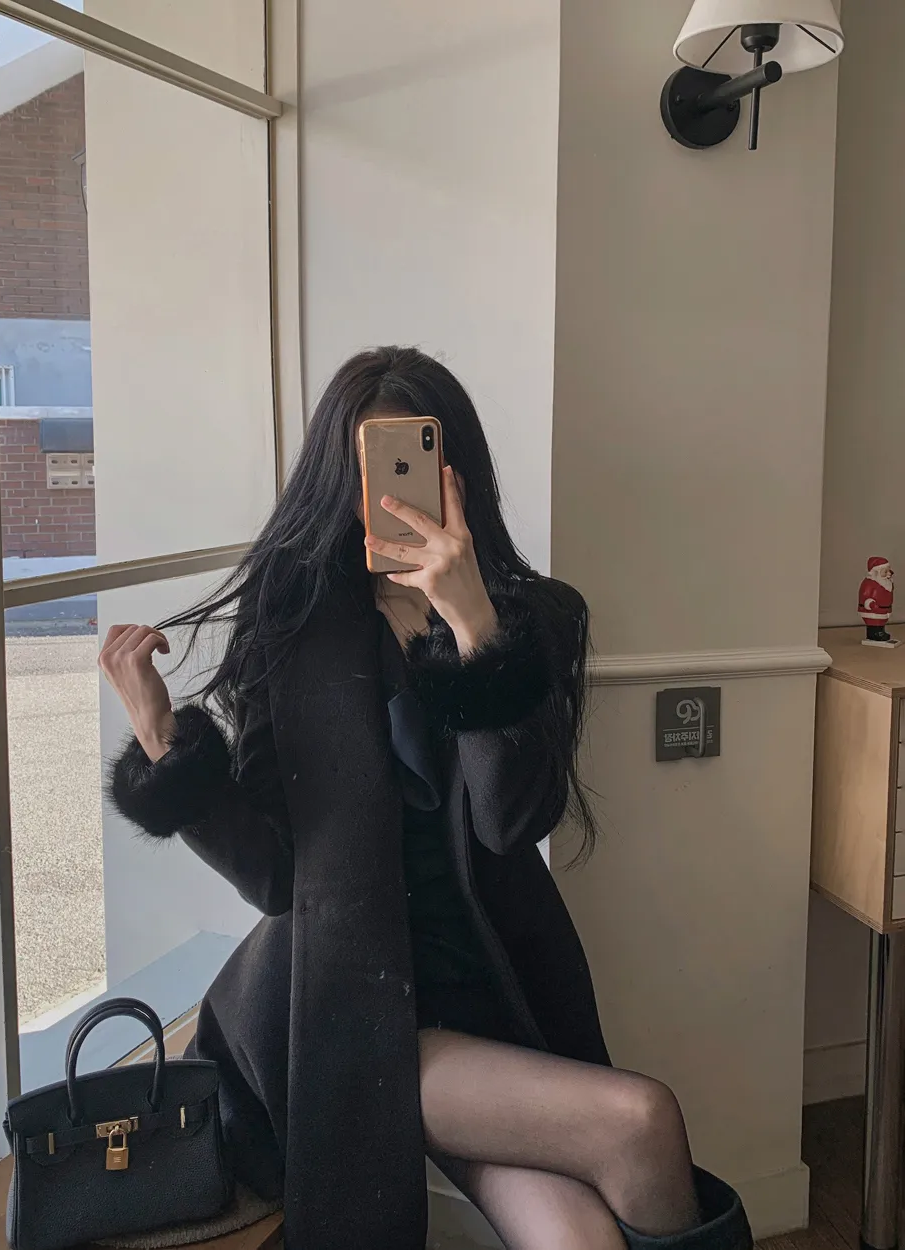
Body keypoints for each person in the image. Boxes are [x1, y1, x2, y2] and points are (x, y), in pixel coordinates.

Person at [100, 347, 752, 1250]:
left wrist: (474, 628)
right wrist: (162, 742)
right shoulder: (290, 634)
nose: (387, 493)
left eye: (410, 463)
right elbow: (278, 877)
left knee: (578, 1237)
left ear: (458, 474)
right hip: (343, 1010)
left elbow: (512, 821)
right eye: (369, 468)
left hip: (493, 993)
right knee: (641, 1119)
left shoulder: (538, 619)